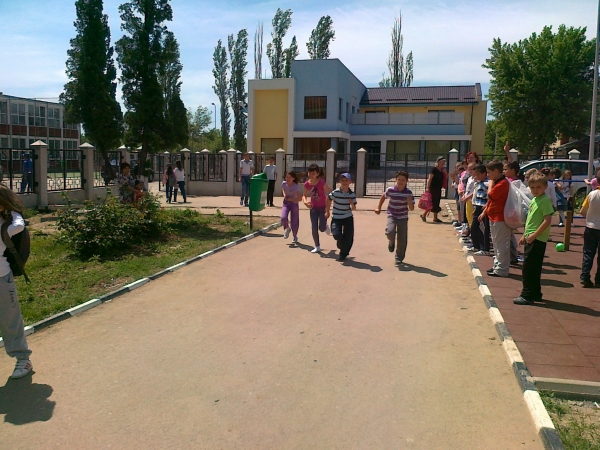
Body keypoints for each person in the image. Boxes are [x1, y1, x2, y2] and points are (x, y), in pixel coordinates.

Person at [0, 185, 32, 378]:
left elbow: (20, 225)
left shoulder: (6, 225)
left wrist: (12, 210)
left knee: (10, 320)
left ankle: (23, 358)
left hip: (2, 278)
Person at [513, 172, 554, 304]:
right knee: (533, 267)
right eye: (532, 187)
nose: (535, 190)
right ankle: (536, 293)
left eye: (538, 187)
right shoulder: (535, 200)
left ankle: (527, 295)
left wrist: (534, 235)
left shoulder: (545, 200)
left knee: (529, 268)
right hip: (530, 237)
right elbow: (530, 220)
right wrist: (524, 235)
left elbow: (547, 220)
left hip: (537, 239)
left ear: (545, 187)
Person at [375, 170, 414, 265]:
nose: (400, 182)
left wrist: (409, 201)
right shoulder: (391, 190)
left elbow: (412, 208)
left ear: (406, 181)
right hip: (392, 214)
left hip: (403, 217)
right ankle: (391, 241)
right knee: (389, 231)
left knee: (402, 238)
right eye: (399, 179)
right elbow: (383, 196)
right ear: (396, 180)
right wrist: (379, 208)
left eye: (403, 180)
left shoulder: (408, 193)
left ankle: (399, 258)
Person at [479, 160, 511, 277]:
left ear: (496, 171)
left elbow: (490, 195)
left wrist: (491, 183)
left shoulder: (502, 183)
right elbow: (490, 201)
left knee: (501, 245)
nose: (488, 175)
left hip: (500, 218)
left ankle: (502, 269)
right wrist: (485, 212)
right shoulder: (498, 182)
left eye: (489, 172)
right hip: (494, 216)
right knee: (497, 244)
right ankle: (497, 265)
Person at [326, 173, 357, 261]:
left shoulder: (352, 194)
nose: (344, 182)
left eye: (346, 180)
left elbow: (354, 208)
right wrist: (327, 211)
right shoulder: (335, 192)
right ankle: (340, 242)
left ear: (350, 182)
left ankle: (343, 254)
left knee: (348, 236)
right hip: (336, 217)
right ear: (340, 182)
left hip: (348, 217)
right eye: (342, 180)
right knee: (336, 234)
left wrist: (351, 203)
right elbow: (328, 199)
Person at [303, 164, 332, 253]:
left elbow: (331, 192)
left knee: (321, 228)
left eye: (313, 173)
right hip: (313, 208)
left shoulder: (321, 182)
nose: (311, 175)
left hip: (323, 207)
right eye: (309, 173)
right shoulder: (307, 184)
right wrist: (305, 202)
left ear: (317, 174)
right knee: (314, 227)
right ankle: (317, 246)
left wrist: (328, 205)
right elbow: (304, 195)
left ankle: (325, 226)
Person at [579, 172, 600, 288]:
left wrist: (589, 218)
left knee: (588, 253)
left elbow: (582, 211)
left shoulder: (591, 194)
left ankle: (585, 276)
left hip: (591, 227)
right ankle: (599, 279)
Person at [469, 164, 491, 256]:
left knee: (484, 229)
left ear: (484, 173)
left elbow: (489, 197)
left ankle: (485, 248)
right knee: (474, 227)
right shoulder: (479, 183)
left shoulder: (488, 183)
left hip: (484, 208)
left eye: (478, 174)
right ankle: (476, 246)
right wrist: (475, 209)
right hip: (478, 207)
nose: (476, 176)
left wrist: (485, 207)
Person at [421, 156, 446, 223]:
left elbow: (445, 178)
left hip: (438, 188)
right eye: (442, 161)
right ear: (438, 162)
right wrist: (427, 187)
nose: (443, 163)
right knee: (431, 203)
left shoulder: (442, 170)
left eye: (444, 162)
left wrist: (445, 173)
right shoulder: (434, 169)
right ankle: (424, 214)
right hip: (433, 188)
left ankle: (435, 218)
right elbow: (430, 178)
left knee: (437, 202)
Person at [281, 171, 301, 244]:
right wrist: (284, 195)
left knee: (294, 221)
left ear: (293, 178)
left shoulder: (295, 186)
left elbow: (300, 198)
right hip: (286, 203)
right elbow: (283, 189)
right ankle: (287, 228)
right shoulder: (284, 183)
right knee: (283, 217)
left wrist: (291, 199)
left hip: (294, 204)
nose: (288, 179)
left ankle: (295, 236)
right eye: (286, 177)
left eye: (289, 177)